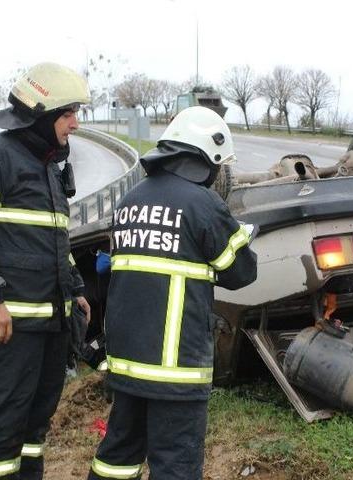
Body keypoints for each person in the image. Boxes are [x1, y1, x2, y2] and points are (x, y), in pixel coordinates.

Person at [88, 107, 258, 480]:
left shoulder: (130, 201)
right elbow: (241, 273)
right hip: (176, 372)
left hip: (128, 364)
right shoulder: (203, 203)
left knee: (118, 455)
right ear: (206, 160)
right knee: (175, 466)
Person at [0, 62, 92, 480]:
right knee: (1, 428)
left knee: (33, 429)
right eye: (68, 114)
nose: (76, 125)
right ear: (41, 114)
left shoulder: (47, 164)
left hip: (49, 324)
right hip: (8, 327)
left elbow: (53, 240)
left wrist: (76, 288)